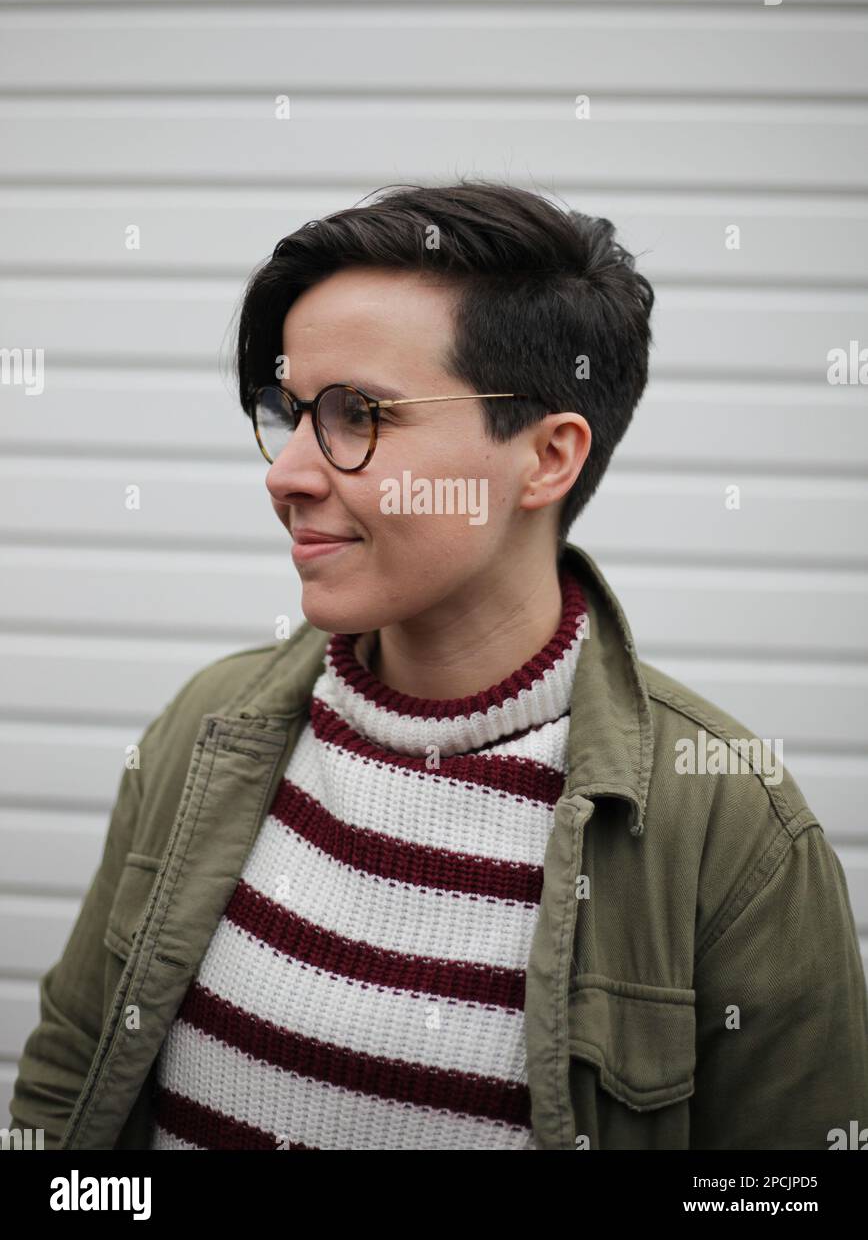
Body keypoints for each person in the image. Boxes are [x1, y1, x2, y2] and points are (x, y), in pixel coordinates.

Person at [9, 180, 868, 1150]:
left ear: (546, 457)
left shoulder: (731, 830)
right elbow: (66, 1083)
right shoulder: (212, 728)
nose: (287, 472)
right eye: (286, 412)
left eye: (357, 413)